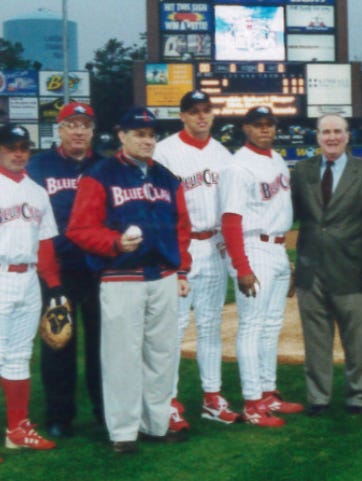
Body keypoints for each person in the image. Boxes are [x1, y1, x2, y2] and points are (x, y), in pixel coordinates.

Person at [66, 108, 192, 453]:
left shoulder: (167, 178)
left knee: (162, 355)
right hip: (121, 276)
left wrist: (181, 270)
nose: (147, 140)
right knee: (121, 356)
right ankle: (123, 432)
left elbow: (183, 228)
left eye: (151, 134)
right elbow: (78, 228)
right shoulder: (100, 174)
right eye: (139, 134)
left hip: (163, 276)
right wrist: (113, 243)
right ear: (122, 136)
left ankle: (156, 424)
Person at [291, 114, 362, 416]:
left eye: (338, 132)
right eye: (325, 132)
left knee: (355, 339)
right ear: (317, 137)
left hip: (353, 267)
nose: (332, 137)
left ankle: (357, 396)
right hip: (311, 267)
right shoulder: (302, 171)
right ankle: (318, 397)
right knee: (315, 339)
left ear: (347, 136)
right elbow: (287, 216)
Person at [154, 90, 238, 430]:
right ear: (182, 115)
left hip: (214, 244)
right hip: (180, 248)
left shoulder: (223, 154)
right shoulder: (165, 151)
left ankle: (212, 397)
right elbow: (159, 208)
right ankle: (168, 400)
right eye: (193, 111)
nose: (201, 116)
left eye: (206, 110)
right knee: (172, 330)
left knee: (209, 326)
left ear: (213, 115)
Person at [219, 106, 302, 427]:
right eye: (258, 124)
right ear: (246, 128)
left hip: (277, 248)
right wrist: (241, 266)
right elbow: (230, 221)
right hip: (253, 247)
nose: (265, 129)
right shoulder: (237, 166)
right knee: (252, 327)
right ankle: (252, 401)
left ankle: (268, 393)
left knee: (270, 327)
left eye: (269, 124)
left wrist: (287, 258)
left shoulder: (276, 159)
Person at [27, 102, 103, 438]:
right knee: (58, 344)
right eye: (71, 124)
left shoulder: (105, 166)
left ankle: (106, 411)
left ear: (92, 131)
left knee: (105, 345)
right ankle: (60, 415)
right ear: (59, 130)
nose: (78, 131)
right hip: (57, 271)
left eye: (85, 125)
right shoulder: (40, 166)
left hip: (101, 269)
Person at [0, 124, 61, 457]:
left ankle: (17, 429)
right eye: (11, 146)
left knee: (19, 357)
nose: (18, 152)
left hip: (29, 279)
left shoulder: (38, 192)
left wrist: (54, 287)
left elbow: (46, 242)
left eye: (24, 147)